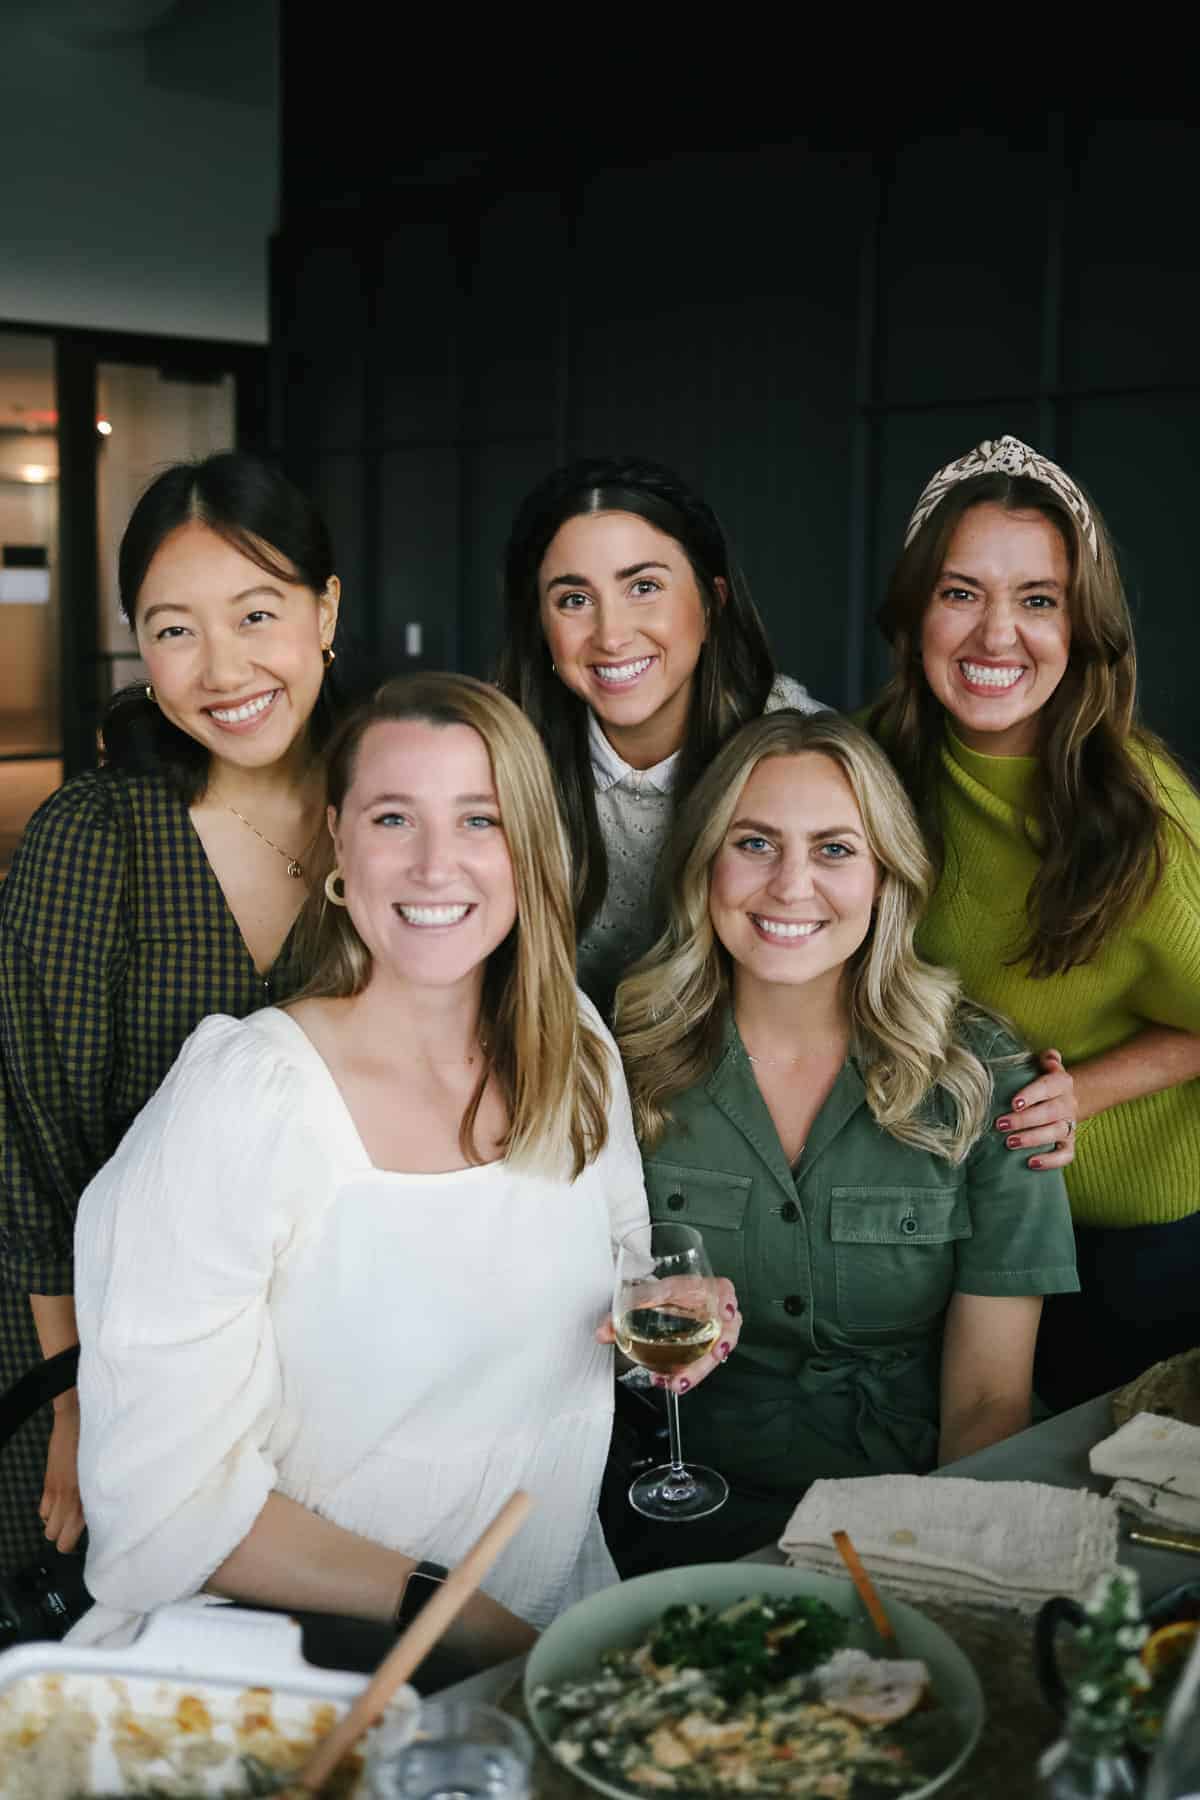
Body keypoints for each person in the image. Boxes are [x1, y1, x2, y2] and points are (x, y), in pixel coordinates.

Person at [71, 674, 739, 1652]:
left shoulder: (576, 1052)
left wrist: (680, 1330)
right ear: (337, 839)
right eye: (395, 818)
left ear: (531, 850)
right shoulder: (243, 1100)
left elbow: (622, 1309)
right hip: (297, 1657)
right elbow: (161, 1511)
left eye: (480, 820)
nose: (436, 866)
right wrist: (461, 1611)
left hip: (553, 1623)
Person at [613, 709, 1077, 1565]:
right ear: (703, 864)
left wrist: (935, 1578)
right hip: (684, 1514)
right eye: (754, 843)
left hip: (920, 1507)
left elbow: (986, 1402)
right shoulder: (618, 1062)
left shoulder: (987, 1081)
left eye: (834, 849)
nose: (792, 886)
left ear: (885, 878)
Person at [0, 452, 344, 1583]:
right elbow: (31, 1148)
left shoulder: (395, 810)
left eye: (257, 613)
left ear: (326, 608)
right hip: (102, 1357)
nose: (223, 667)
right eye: (174, 629)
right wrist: (76, 1403)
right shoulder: (93, 837)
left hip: (324, 1361)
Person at [866, 435, 1200, 1410]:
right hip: (944, 1212)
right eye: (961, 592)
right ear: (914, 610)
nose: (996, 636)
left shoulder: (1143, 816)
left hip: (1132, 1242)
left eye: (1038, 600)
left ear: (1082, 625)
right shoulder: (869, 765)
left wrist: (1083, 1092)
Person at [496, 456, 824, 1014]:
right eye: (574, 599)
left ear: (712, 601)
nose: (612, 635)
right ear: (540, 624)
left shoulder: (802, 749)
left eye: (643, 587)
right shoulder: (498, 750)